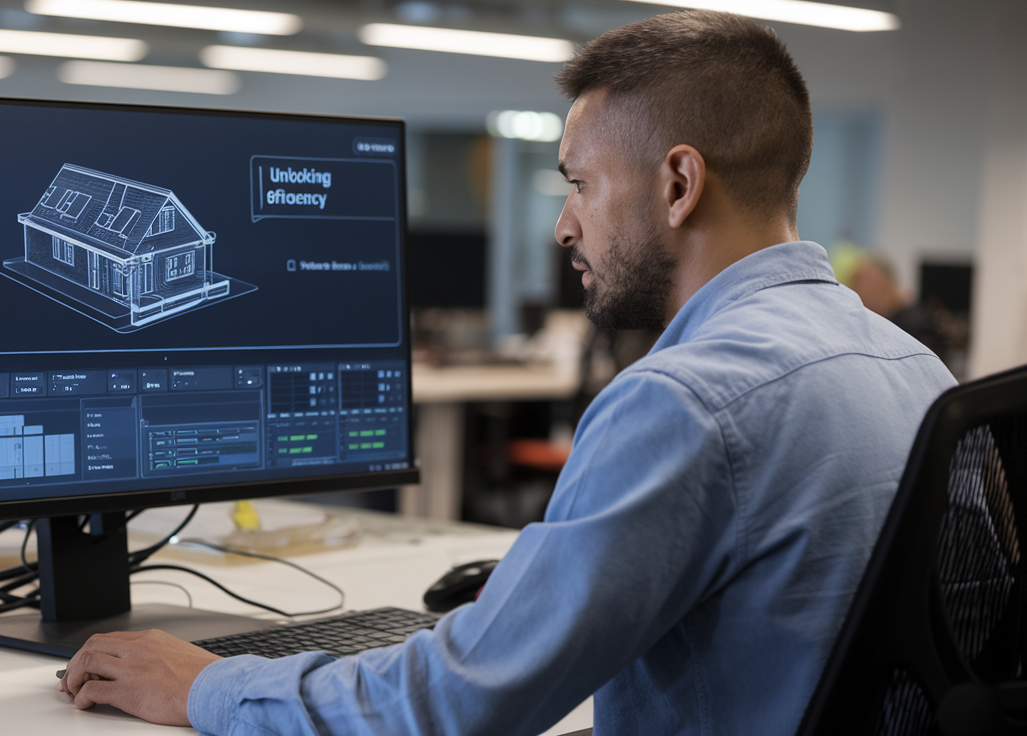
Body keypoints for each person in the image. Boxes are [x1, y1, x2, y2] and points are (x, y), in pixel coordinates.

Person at [57, 10, 957, 734]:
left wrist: (209, 689)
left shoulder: (684, 403)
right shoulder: (917, 371)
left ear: (679, 185)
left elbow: (454, 705)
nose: (565, 227)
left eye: (579, 184)